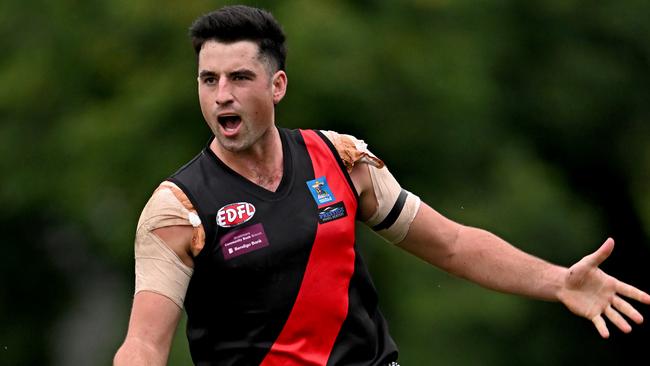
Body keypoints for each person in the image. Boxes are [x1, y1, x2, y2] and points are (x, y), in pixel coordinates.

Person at [113, 5, 650, 366]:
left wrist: (557, 281)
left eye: (239, 78)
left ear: (277, 85)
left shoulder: (343, 161)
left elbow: (453, 244)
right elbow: (143, 342)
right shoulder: (177, 209)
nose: (221, 95)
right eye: (209, 80)